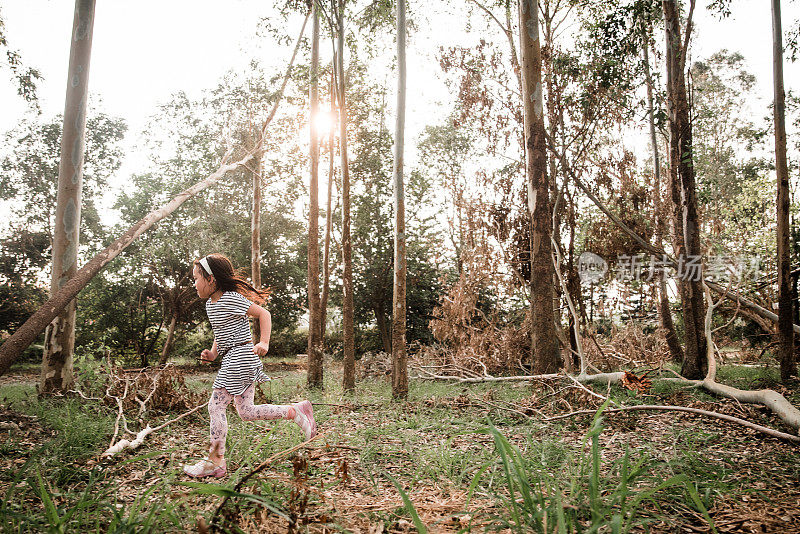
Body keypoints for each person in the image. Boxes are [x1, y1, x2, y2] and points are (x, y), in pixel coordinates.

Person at [183, 253, 317, 478]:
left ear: (211, 280)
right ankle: (296, 411)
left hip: (241, 355)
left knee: (215, 406)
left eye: (196, 278)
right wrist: (213, 354)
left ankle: (215, 462)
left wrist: (264, 342)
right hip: (232, 357)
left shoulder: (231, 298)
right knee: (246, 411)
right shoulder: (211, 305)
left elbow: (263, 313)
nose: (193, 283)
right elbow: (221, 332)